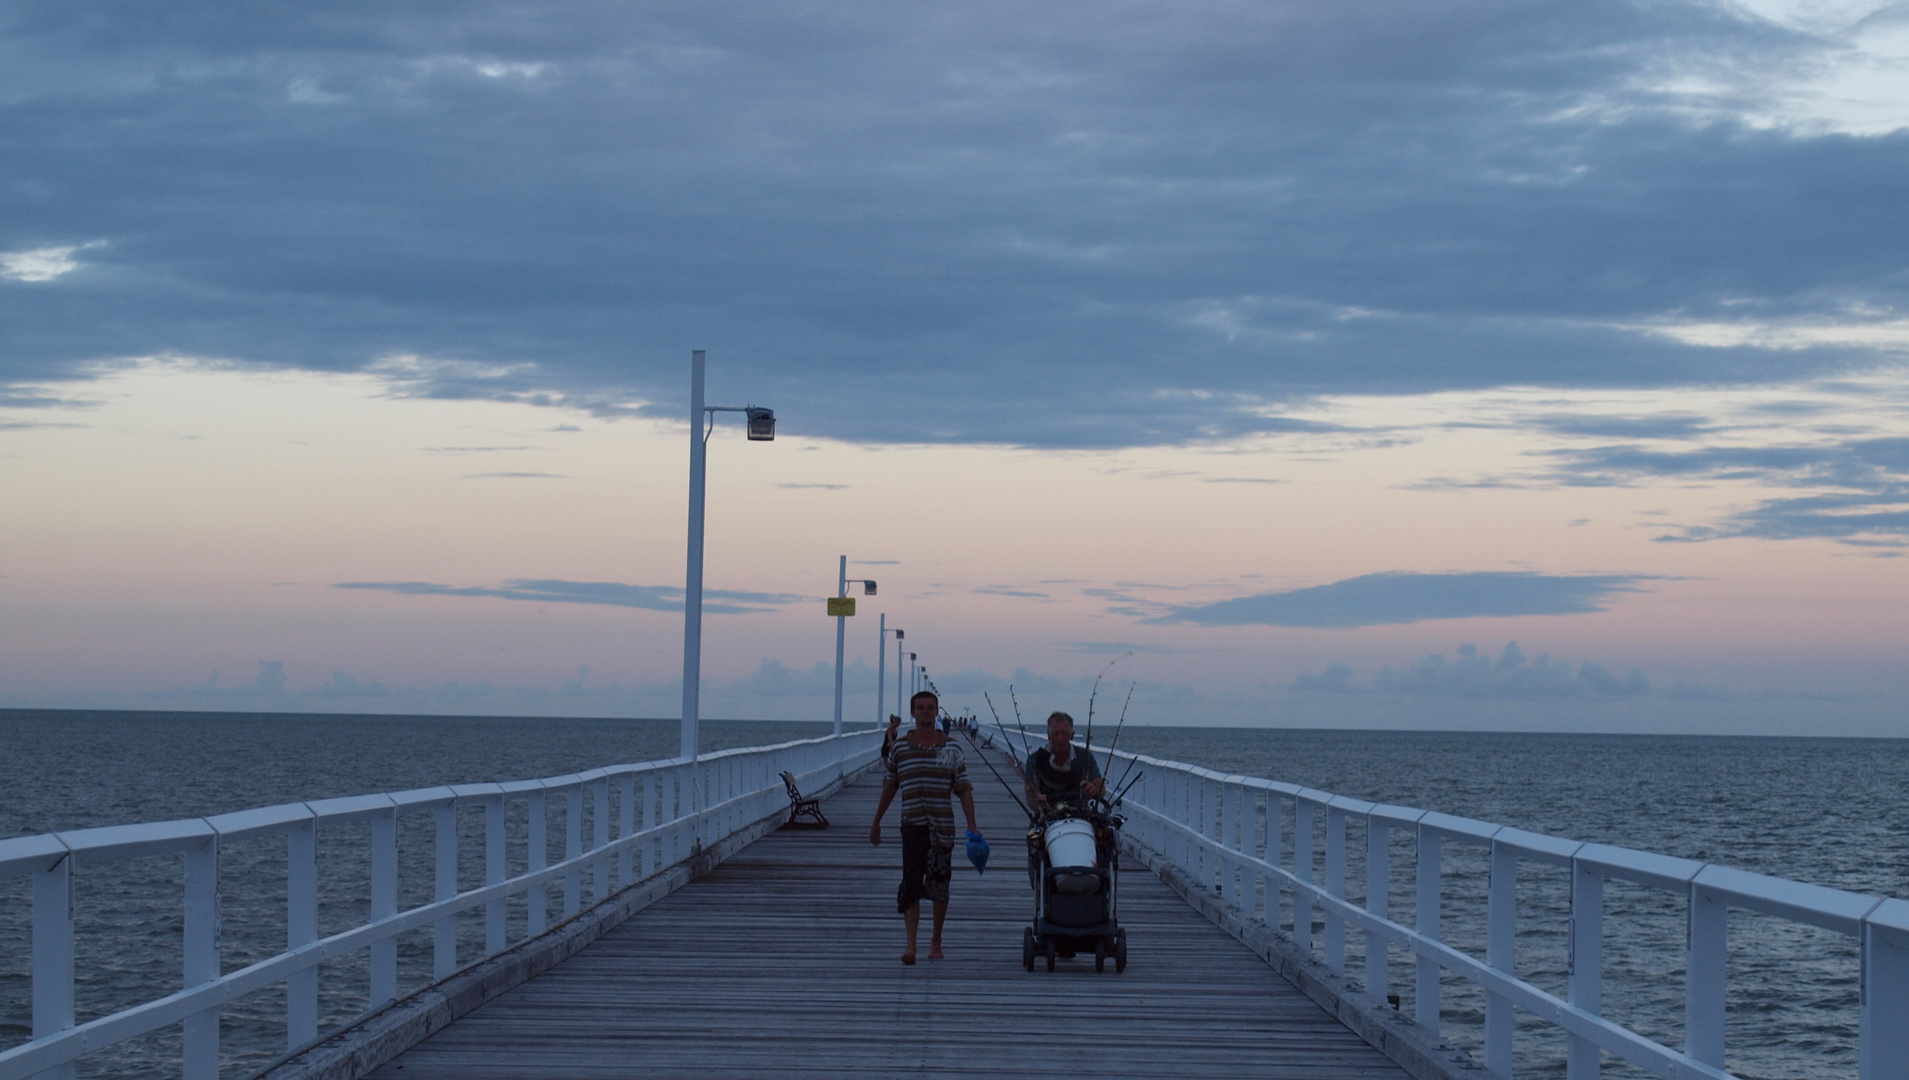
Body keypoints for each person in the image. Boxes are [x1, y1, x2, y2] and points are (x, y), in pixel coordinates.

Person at [870, 690, 981, 964]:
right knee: (911, 884)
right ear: (913, 713)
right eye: (920, 708)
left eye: (930, 708)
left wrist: (973, 825)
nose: (925, 712)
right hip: (912, 826)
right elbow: (890, 786)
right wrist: (876, 821)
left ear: (937, 711)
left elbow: (964, 789)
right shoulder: (900, 749)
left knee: (940, 886)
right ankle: (911, 946)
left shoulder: (952, 749)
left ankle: (936, 940)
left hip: (943, 827)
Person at [1023, 711, 1104, 812]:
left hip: (1079, 816)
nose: (1060, 738)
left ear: (1072, 735)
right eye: (1056, 733)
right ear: (1049, 735)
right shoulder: (1034, 759)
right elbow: (1030, 796)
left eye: (1064, 733)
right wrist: (1039, 804)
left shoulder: (1084, 756)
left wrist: (1095, 790)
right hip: (1047, 817)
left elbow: (1100, 787)